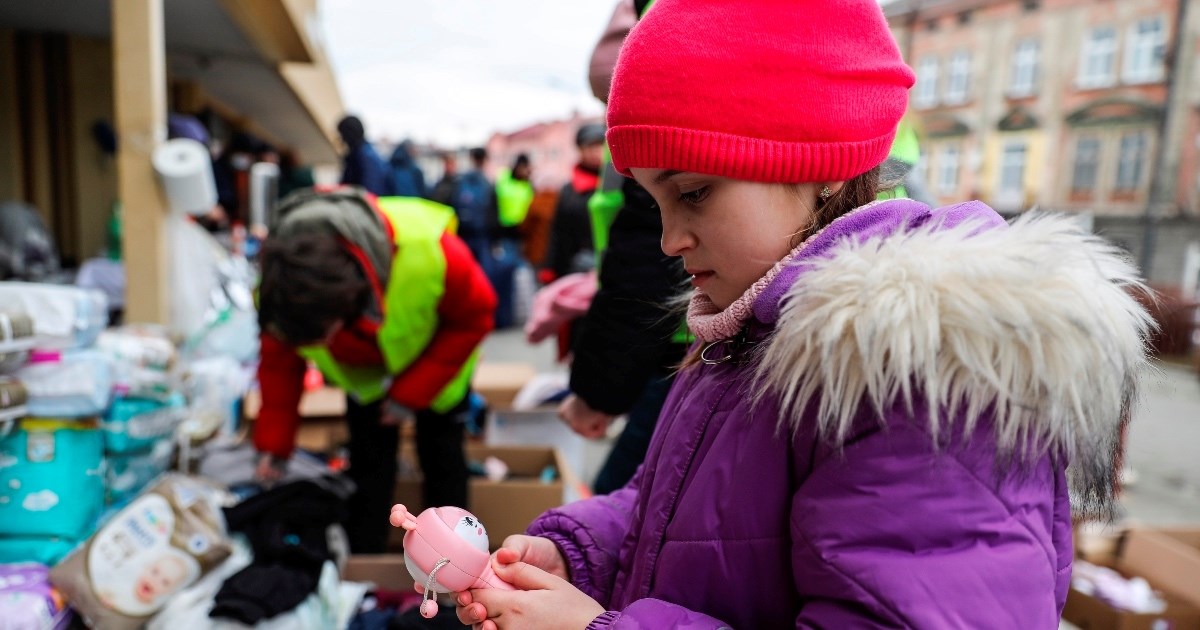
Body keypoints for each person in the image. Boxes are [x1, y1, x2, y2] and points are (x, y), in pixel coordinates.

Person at [437, 1, 1152, 627]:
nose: (668, 240)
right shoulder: (749, 327)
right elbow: (687, 515)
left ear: (823, 161)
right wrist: (580, 552)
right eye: (654, 203)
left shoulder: (920, 378)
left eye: (693, 192)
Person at [256, 186, 496, 553]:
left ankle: (453, 563)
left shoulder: (430, 251)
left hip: (437, 370)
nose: (318, 348)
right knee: (368, 469)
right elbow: (279, 363)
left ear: (352, 297)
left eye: (324, 334)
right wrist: (275, 444)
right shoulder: (279, 290)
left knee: (444, 460)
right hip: (366, 383)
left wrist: (411, 394)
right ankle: (364, 561)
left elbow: (474, 317)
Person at [556, 0, 691, 495]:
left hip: (689, 338)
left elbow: (647, 260)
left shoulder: (674, 82)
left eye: (697, 194)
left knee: (626, 496)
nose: (676, 238)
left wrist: (598, 389)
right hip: (681, 332)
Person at [540, 123, 605, 282]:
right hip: (576, 268)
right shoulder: (569, 191)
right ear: (580, 150)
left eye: (600, 145)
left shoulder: (619, 184)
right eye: (591, 146)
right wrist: (550, 267)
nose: (596, 152)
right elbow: (558, 231)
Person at [492, 154, 535, 329]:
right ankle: (509, 313)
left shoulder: (528, 185)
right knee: (509, 274)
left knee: (524, 275)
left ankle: (524, 312)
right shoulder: (505, 181)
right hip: (507, 234)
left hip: (523, 235)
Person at [448, 148, 499, 270]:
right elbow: (493, 215)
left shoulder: (460, 181)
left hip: (462, 234)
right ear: (484, 160)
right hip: (482, 236)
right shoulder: (487, 184)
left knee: (462, 268)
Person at [337, 115, 391, 196]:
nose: (341, 139)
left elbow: (370, 192)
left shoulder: (365, 157)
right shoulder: (360, 154)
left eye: (342, 134)